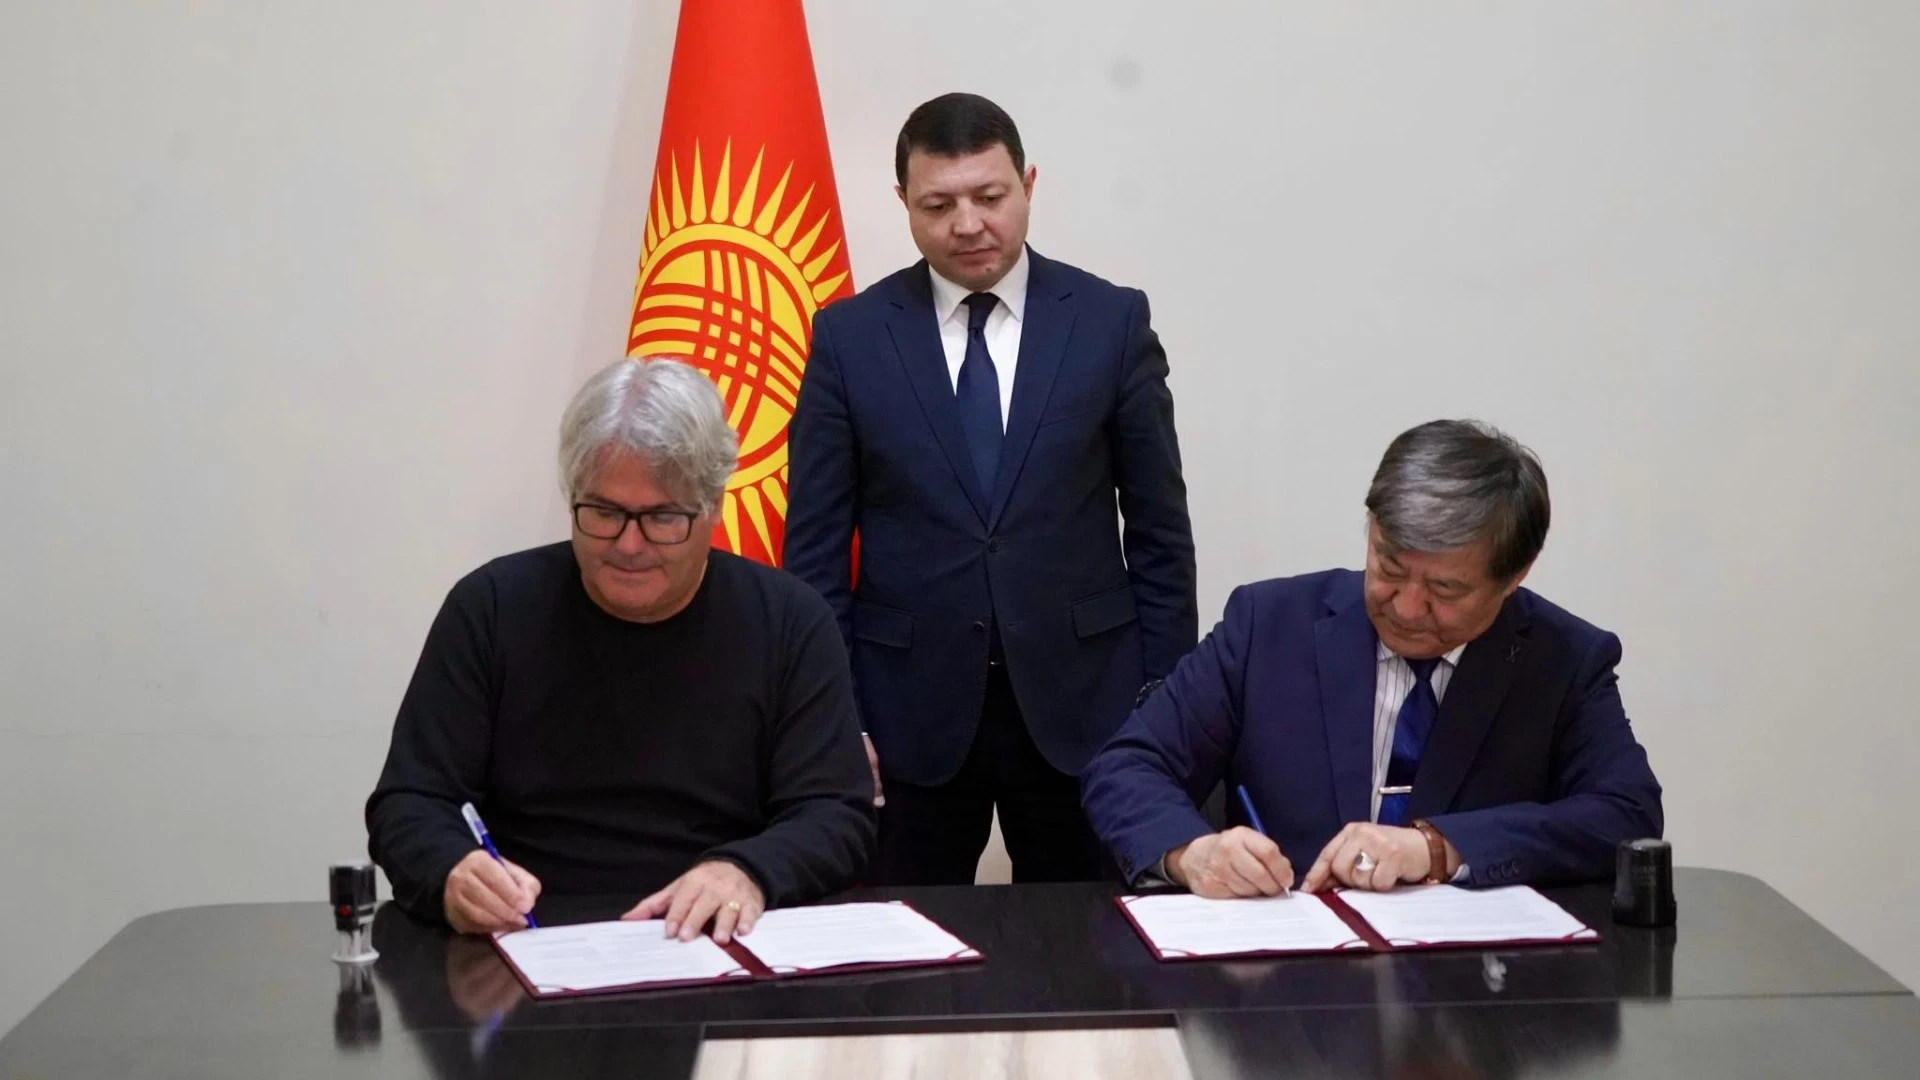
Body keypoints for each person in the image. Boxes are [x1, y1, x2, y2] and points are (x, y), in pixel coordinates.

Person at [784, 93, 1197, 885]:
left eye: (989, 196)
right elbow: (815, 552)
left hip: (1089, 709)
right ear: (904, 202)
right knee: (900, 937)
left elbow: (1159, 532)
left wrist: (1165, 697)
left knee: (1091, 939)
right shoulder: (849, 338)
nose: (968, 225)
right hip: (906, 714)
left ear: (1028, 184)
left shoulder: (1108, 322)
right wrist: (837, 715)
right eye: (938, 205)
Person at [366, 358, 874, 942]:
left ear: (713, 507)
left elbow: (837, 815)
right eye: (604, 513)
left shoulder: (791, 621)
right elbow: (409, 802)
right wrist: (452, 871)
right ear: (572, 499)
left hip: (715, 937)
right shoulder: (490, 608)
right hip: (526, 937)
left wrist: (750, 871)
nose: (629, 545)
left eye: (661, 517)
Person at [1082, 420, 1662, 895]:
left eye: (1445, 590)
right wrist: (1191, 853)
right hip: (1290, 974)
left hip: (1476, 982)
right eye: (1389, 566)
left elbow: (1626, 815)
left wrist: (1437, 848)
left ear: (1516, 576)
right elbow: (1127, 766)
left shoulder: (1563, 660)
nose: (1407, 607)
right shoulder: (1268, 626)